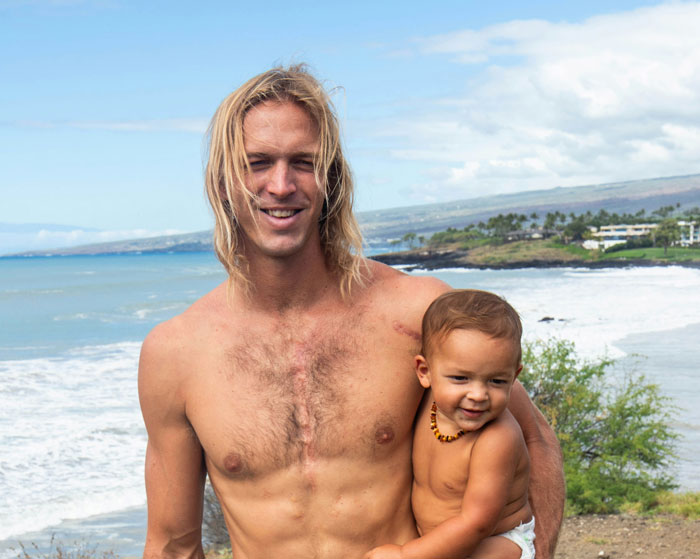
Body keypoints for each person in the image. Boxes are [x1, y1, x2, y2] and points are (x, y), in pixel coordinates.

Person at [138, 64, 564, 559]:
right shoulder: (175, 354)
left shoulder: (416, 312)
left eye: (303, 161)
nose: (280, 185)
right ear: (223, 179)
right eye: (257, 162)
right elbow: (172, 545)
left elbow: (533, 439)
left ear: (331, 176)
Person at [365, 289, 535, 559]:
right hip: (441, 539)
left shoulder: (496, 438)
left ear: (514, 377)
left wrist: (405, 555)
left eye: (497, 381)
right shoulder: (425, 408)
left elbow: (477, 522)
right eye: (460, 378)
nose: (478, 395)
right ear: (425, 372)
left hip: (496, 539)